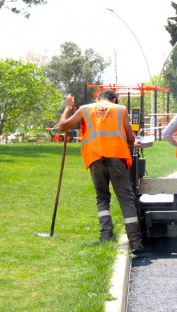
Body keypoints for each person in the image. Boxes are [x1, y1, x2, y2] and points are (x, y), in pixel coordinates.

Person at [57, 89, 143, 250]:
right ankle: (135, 242)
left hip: (95, 157)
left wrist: (68, 107)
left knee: (102, 197)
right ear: (114, 100)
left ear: (98, 99)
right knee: (126, 198)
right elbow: (130, 139)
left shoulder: (85, 109)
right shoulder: (121, 110)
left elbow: (62, 127)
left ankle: (105, 234)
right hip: (117, 157)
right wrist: (132, 143)